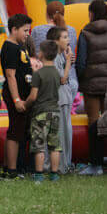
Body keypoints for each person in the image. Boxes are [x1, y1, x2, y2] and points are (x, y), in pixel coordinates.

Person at [22, 40, 63, 182]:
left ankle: (39, 174)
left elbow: (33, 96)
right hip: (55, 112)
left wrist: (24, 104)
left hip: (40, 113)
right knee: (54, 145)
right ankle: (54, 174)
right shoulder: (57, 73)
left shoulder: (38, 74)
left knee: (39, 145)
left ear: (43, 54)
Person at [0, 14, 33, 179]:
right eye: (25, 30)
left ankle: (9, 166)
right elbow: (10, 75)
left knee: (18, 129)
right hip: (16, 95)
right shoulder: (10, 47)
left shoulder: (20, 46)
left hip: (24, 93)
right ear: (14, 29)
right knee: (15, 131)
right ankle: (11, 170)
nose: (27, 34)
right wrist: (16, 99)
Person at [76, 0, 107, 176]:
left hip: (91, 85)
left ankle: (95, 164)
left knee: (94, 123)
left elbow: (81, 61)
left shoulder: (86, 33)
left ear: (91, 13)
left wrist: (82, 79)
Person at [46, 26, 78, 173]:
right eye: (64, 37)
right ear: (55, 41)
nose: (68, 40)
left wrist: (68, 61)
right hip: (58, 99)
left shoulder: (59, 55)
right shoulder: (53, 57)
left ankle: (64, 164)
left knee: (66, 134)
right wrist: (68, 63)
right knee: (60, 134)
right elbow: (62, 79)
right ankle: (59, 166)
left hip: (63, 99)